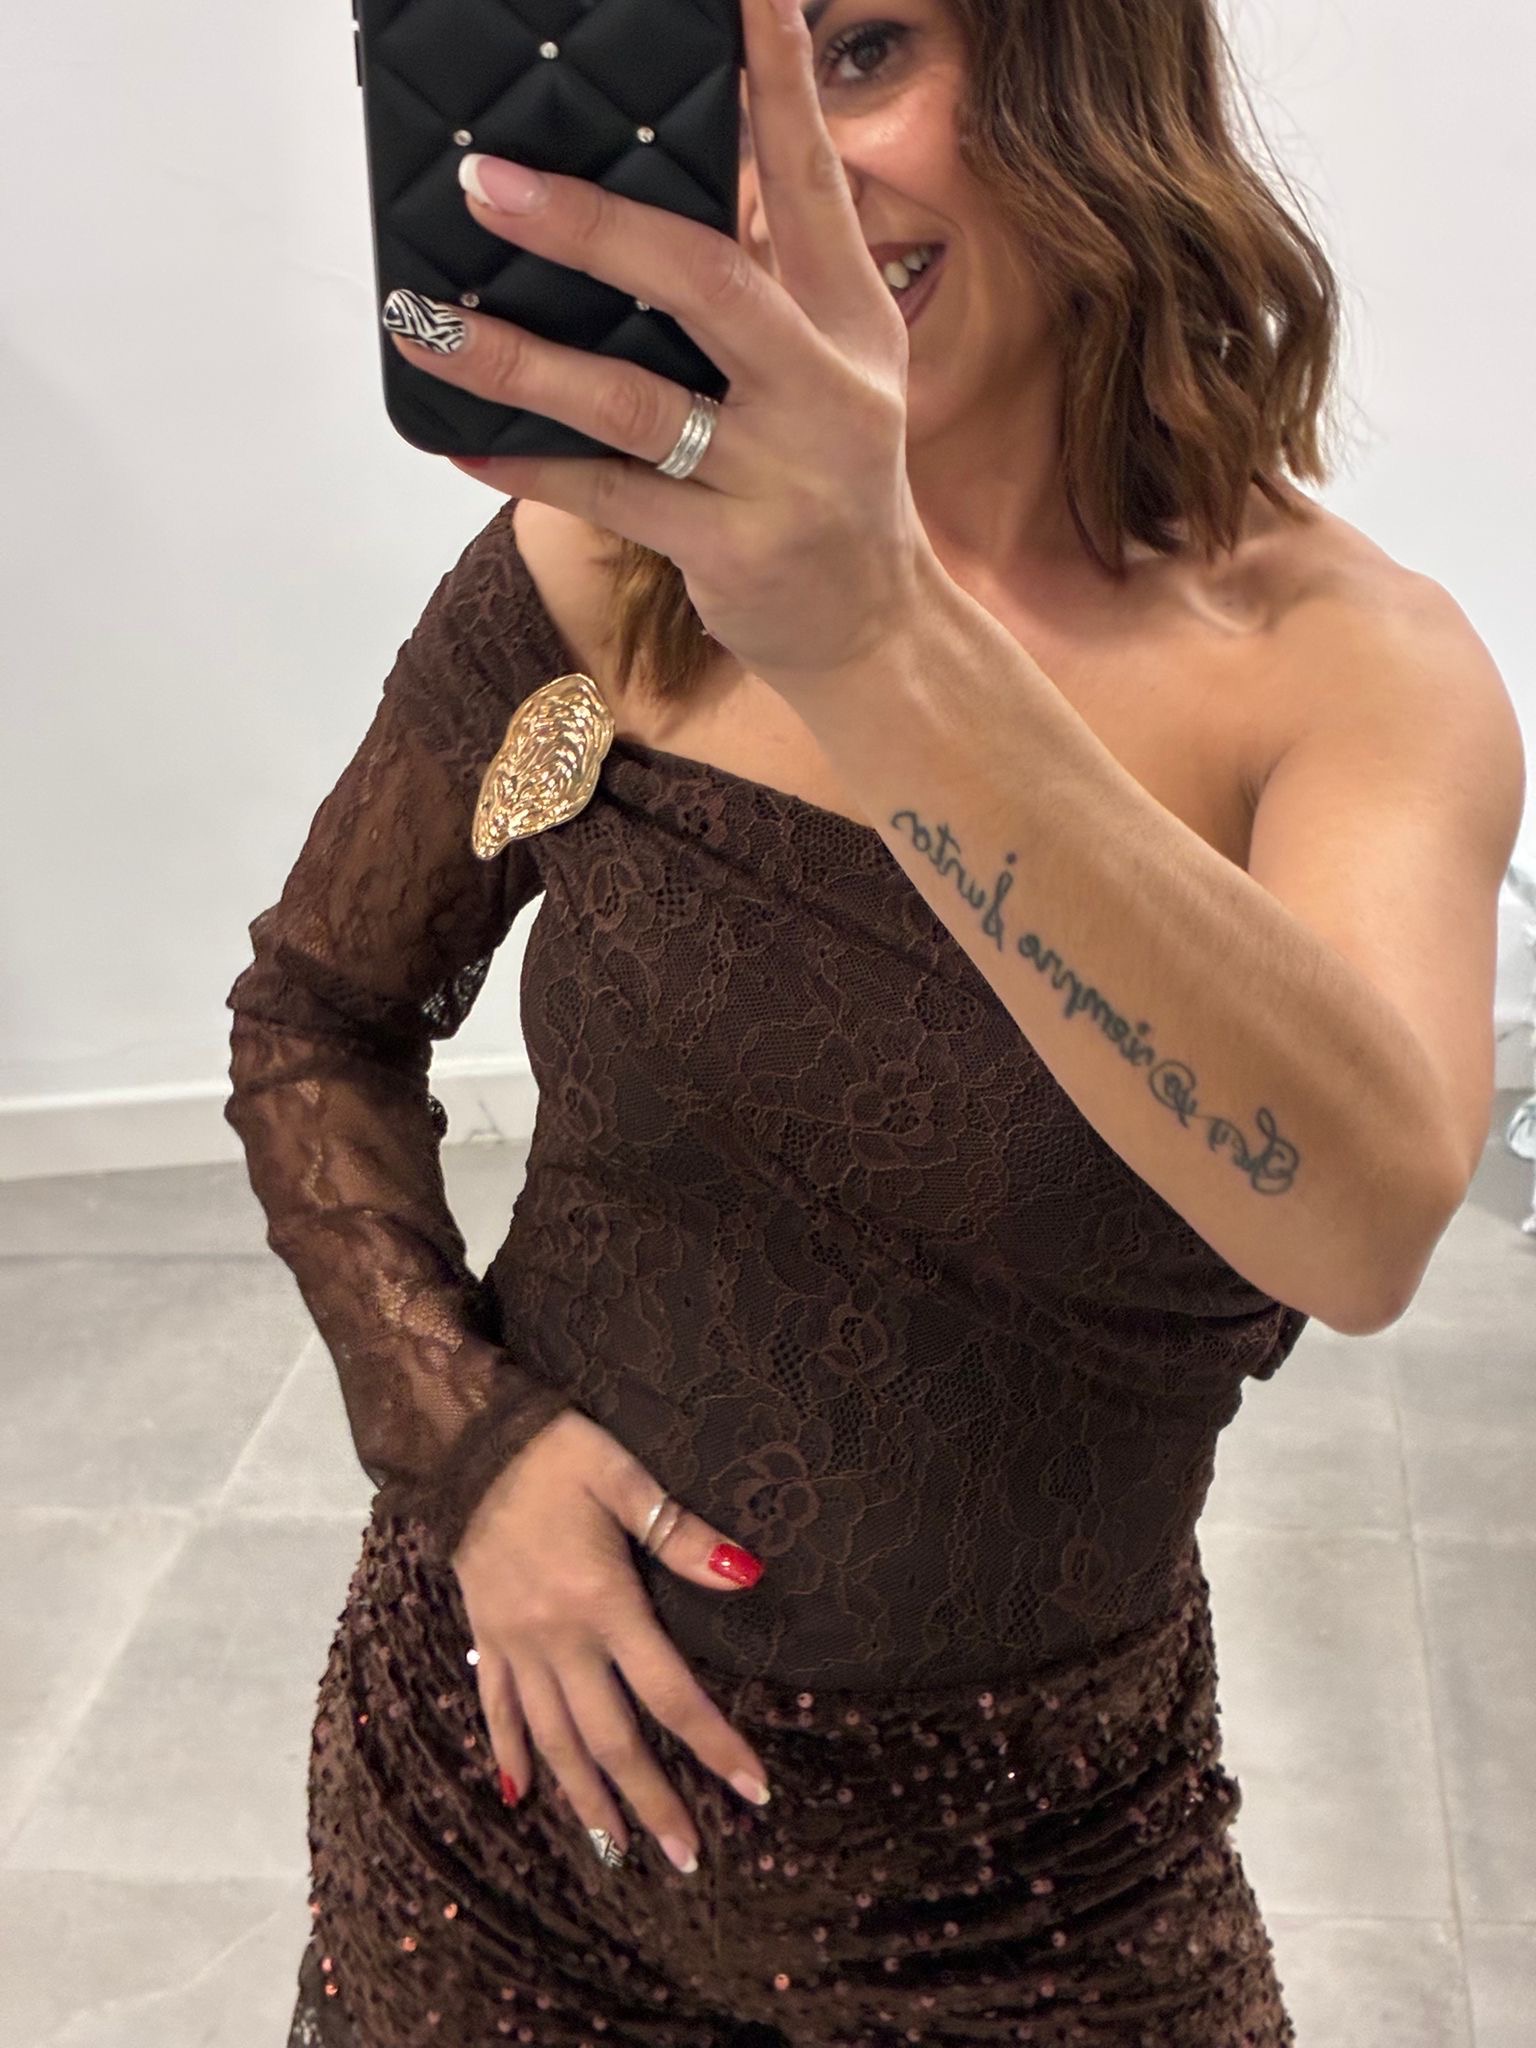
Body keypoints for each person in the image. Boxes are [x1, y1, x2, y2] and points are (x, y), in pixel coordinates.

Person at [226, 3, 1518, 2045]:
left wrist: (874, 629)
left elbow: (1356, 1229)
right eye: (720, 82)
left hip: (1028, 1898)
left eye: (857, 52)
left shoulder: (1338, 676)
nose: (779, 182)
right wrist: (469, 1454)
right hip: (491, 1819)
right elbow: (313, 1018)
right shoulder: (608, 559)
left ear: (1092, 72)